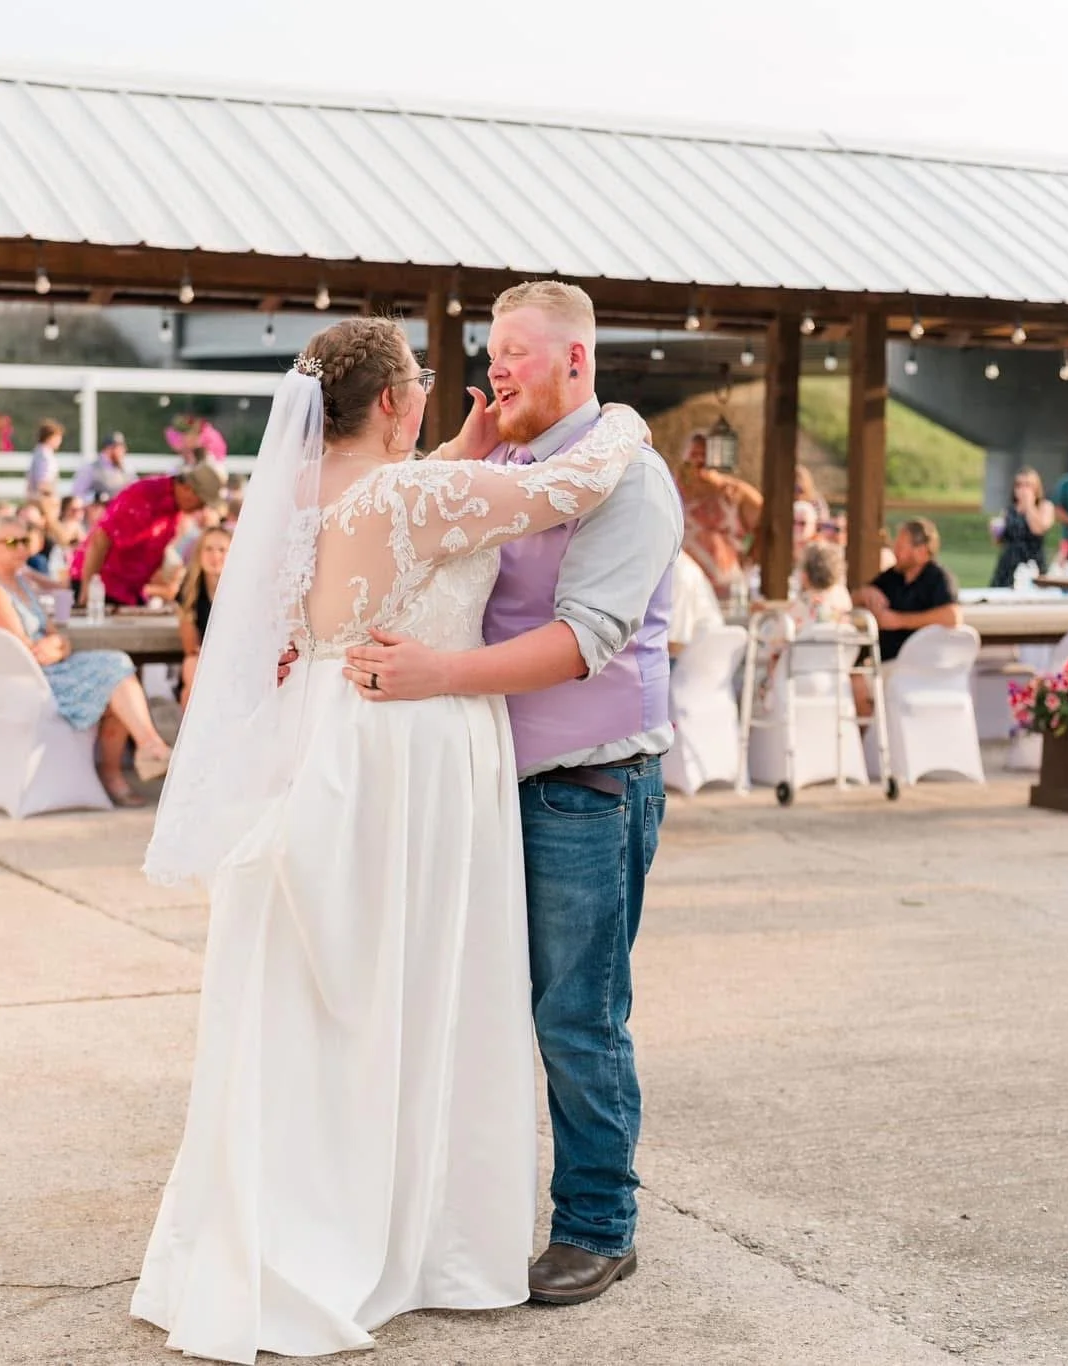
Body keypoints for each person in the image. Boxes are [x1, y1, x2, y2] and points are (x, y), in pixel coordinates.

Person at [133, 303, 659, 1360]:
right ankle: (416, 1233)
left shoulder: (299, 492)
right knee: (424, 990)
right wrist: (628, 424)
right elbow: (564, 483)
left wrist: (461, 445)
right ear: (390, 401)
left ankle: (304, 1219)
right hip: (408, 750)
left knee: (337, 1002)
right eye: (425, 376)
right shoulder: (417, 492)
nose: (449, 386)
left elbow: (410, 520)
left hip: (325, 741)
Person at [333, 283, 681, 1310]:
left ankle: (597, 1225)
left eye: (515, 354)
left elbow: (583, 640)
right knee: (473, 1007)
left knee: (576, 1019)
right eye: (491, 351)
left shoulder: (630, 481)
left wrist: (435, 673)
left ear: (576, 360)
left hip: (585, 788)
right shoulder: (512, 468)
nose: (496, 368)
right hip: (483, 789)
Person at [0, 514, 174, 806]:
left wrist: (57, 647)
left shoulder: (21, 584)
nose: (22, 548)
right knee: (115, 667)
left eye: (25, 541)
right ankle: (141, 752)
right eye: (12, 542)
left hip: (47, 669)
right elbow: (22, 648)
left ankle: (140, 751)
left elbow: (56, 635)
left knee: (117, 673)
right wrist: (51, 647)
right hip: (26, 682)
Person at [76, 461, 226, 609]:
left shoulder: (175, 511)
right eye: (201, 503)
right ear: (188, 489)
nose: (200, 509)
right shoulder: (145, 494)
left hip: (126, 594)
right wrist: (87, 589)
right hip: (98, 590)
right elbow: (100, 539)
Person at [757, 540, 856, 706]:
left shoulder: (799, 609)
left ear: (804, 576)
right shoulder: (843, 603)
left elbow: (768, 646)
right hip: (835, 683)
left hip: (796, 683)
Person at [673, 430, 763, 599]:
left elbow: (769, 526)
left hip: (725, 586)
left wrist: (749, 560)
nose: (699, 460)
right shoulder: (669, 489)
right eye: (694, 454)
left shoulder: (735, 493)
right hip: (681, 586)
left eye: (704, 455)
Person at [856, 518, 961, 660]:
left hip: (921, 663)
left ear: (921, 551)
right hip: (886, 661)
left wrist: (898, 621)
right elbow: (855, 598)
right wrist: (864, 593)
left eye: (900, 547)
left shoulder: (938, 578)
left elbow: (952, 616)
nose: (895, 552)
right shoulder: (893, 576)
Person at [174, 525, 230, 703]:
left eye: (222, 550)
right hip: (203, 660)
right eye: (209, 549)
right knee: (191, 664)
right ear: (199, 553)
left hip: (232, 657)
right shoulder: (190, 589)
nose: (215, 556)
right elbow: (190, 647)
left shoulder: (242, 590)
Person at [990, 467, 1055, 588]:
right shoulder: (1009, 510)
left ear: (1036, 488)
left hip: (1032, 562)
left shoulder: (1045, 506)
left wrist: (1029, 505)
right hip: (1009, 563)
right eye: (1019, 485)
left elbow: (1038, 529)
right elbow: (999, 542)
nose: (1023, 489)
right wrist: (996, 531)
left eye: (1028, 485)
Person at [663, 547, 722, 658]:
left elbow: (675, 643)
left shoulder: (679, 573)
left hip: (691, 661)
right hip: (685, 657)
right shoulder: (674, 566)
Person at [71, 430, 135, 506]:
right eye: (118, 448)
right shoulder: (90, 468)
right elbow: (77, 494)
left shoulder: (127, 469)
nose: (122, 451)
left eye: (122, 448)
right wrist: (95, 498)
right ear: (108, 449)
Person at [25, 419, 65, 505]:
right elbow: (43, 482)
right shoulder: (45, 456)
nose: (60, 441)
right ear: (50, 437)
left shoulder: (38, 453)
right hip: (44, 500)